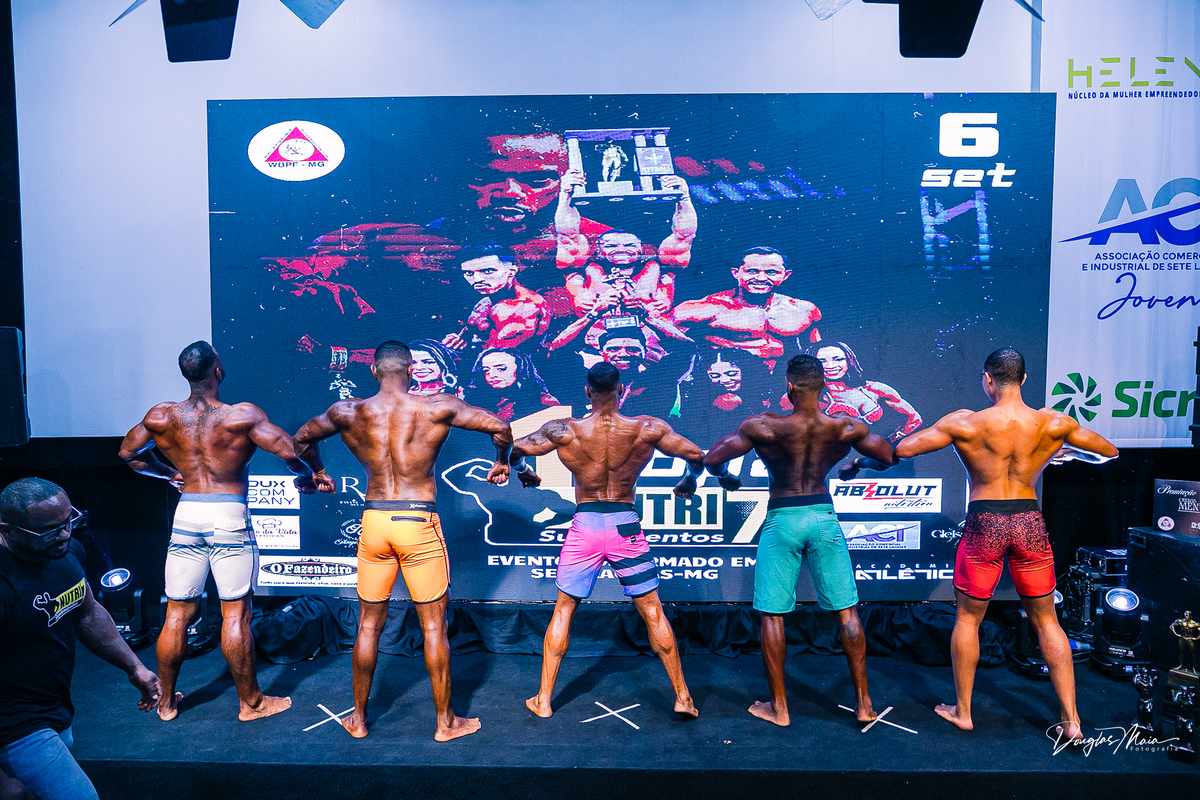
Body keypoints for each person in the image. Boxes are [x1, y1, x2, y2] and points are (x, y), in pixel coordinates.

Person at [292, 340, 514, 741]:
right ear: (411, 370)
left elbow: (302, 439)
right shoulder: (437, 406)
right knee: (434, 628)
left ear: (373, 371)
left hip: (374, 521)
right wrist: (501, 462)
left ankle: (358, 719)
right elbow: (500, 427)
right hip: (417, 522)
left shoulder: (348, 412)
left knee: (367, 625)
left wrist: (318, 472)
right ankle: (446, 724)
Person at [894, 347, 1119, 740]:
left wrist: (954, 440)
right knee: (1047, 621)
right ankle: (1072, 721)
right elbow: (1108, 452)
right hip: (1029, 522)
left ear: (988, 379)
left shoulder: (966, 422)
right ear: (1024, 379)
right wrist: (1063, 451)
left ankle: (963, 711)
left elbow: (904, 449)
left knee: (968, 619)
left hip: (986, 523)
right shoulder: (1053, 422)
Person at [118, 340, 328, 722]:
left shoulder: (161, 416)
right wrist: (307, 476)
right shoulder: (240, 416)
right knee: (236, 615)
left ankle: (166, 704)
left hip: (187, 515)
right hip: (228, 515)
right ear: (218, 370)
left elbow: (128, 454)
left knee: (177, 613)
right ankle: (252, 704)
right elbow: (290, 451)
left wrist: (168, 473)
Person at [512, 362, 714, 719]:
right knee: (653, 611)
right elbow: (697, 456)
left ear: (587, 392)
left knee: (563, 610)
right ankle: (683, 697)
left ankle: (543, 700)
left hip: (586, 526)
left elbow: (514, 448)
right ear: (622, 390)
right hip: (625, 526)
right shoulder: (647, 428)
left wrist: (523, 471)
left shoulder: (564, 429)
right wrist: (689, 480)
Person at [703, 354, 896, 727]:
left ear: (789, 387)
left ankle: (779, 708)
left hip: (783, 519)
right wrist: (858, 465)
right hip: (823, 518)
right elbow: (889, 457)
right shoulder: (845, 426)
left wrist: (726, 477)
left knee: (773, 614)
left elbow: (712, 458)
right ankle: (864, 704)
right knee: (846, 611)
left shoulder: (763, 426)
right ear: (823, 385)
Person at [0, 478, 161, 800]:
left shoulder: (64, 550)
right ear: (8, 530)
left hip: (54, 706)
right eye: (48, 530)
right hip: (15, 722)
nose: (64, 534)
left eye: (67, 521)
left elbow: (87, 611)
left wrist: (134, 667)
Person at [550, 167, 696, 356]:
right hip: (595, 348)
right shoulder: (584, 272)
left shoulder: (657, 270)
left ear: (641, 249)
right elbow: (567, 236)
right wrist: (565, 196)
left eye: (629, 245)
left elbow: (684, 236)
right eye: (611, 246)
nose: (621, 249)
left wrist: (684, 198)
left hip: (650, 347)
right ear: (599, 250)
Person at [671, 247, 821, 362]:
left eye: (771, 272)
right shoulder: (708, 307)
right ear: (736, 273)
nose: (761, 278)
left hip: (782, 382)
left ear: (785, 275)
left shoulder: (803, 309)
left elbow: (818, 349)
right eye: (752, 271)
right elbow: (660, 334)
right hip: (725, 382)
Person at [442, 247, 551, 353]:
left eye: (488, 271)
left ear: (511, 271)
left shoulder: (525, 307)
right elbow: (472, 334)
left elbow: (498, 355)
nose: (477, 279)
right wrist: (459, 340)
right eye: (469, 273)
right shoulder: (487, 300)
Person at [809, 341, 922, 443]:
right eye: (822, 361)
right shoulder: (813, 397)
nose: (830, 366)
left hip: (879, 454)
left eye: (838, 359)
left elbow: (914, 419)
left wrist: (892, 441)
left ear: (849, 361)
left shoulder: (873, 388)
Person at [596, 328, 693, 419]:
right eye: (613, 349)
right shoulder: (591, 381)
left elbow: (688, 348)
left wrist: (648, 319)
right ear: (602, 352)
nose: (623, 354)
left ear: (645, 352)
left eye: (632, 350)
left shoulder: (657, 379)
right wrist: (590, 319)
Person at [466, 348, 560, 422]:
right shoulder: (476, 402)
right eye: (486, 370)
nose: (492, 375)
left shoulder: (543, 401)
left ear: (520, 370)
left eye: (501, 369)